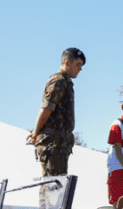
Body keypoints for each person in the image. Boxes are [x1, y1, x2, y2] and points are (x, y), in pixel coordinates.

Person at [27, 47, 86, 177]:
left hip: (60, 144)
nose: (80, 69)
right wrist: (35, 133)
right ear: (67, 62)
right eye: (78, 64)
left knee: (58, 187)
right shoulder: (58, 81)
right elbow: (45, 109)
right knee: (52, 187)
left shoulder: (67, 83)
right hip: (52, 144)